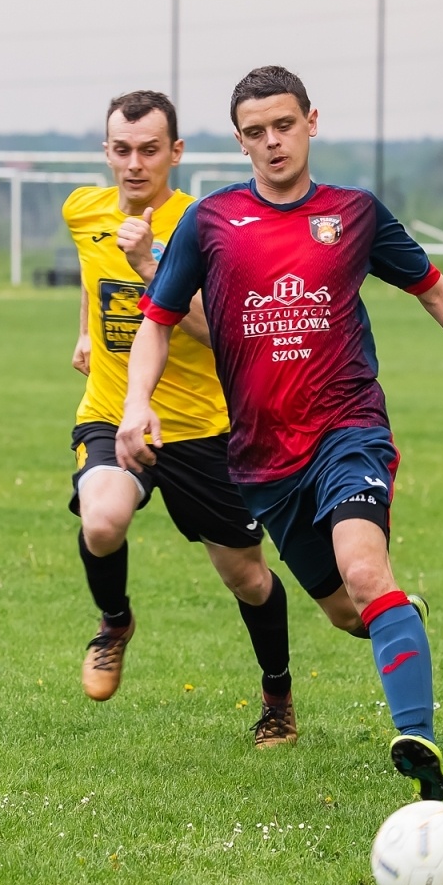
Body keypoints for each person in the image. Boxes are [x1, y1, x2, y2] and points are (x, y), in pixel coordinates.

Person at [117, 66, 443, 801]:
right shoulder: (211, 221)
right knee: (351, 611)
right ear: (239, 141)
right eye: (255, 133)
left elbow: (436, 290)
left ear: (311, 122)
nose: (273, 142)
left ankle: (421, 749)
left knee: (363, 569)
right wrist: (136, 404)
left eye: (284, 125)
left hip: (348, 428)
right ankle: (397, 624)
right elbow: (157, 322)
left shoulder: (353, 213)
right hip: (262, 456)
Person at [63, 89, 298, 749]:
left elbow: (226, 332)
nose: (134, 163)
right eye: (121, 149)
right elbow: (93, 273)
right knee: (102, 518)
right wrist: (86, 330)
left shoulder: (209, 224)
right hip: (113, 413)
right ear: (106, 151)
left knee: (248, 579)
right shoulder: (83, 211)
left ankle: (277, 696)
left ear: (176, 152)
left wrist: (150, 267)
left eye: (148, 150)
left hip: (203, 428)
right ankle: (114, 624)